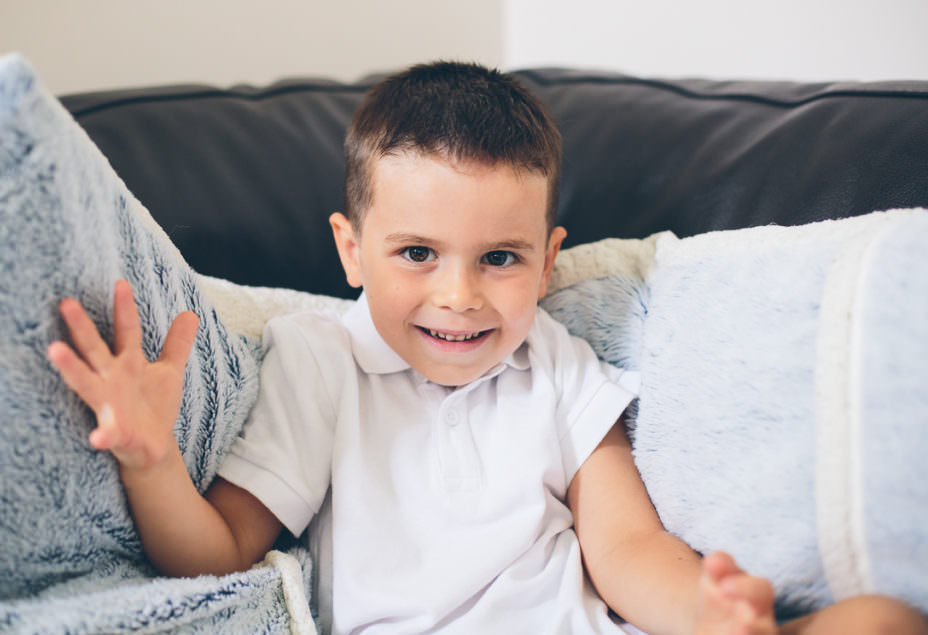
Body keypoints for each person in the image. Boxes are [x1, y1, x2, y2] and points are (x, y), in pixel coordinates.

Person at [47, 62, 926, 634]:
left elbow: (624, 547)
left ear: (546, 262)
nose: (459, 296)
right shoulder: (319, 360)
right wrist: (151, 456)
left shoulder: (556, 363)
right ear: (352, 249)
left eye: (498, 258)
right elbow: (222, 549)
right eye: (417, 253)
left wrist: (709, 612)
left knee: (882, 619)